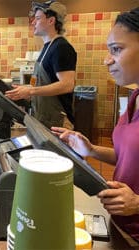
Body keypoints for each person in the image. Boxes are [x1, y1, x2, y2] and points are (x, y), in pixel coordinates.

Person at [52, 7, 139, 242]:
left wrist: (137, 203)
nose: (107, 60)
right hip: (119, 226)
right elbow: (129, 158)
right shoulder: (134, 98)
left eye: (117, 50)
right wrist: (91, 151)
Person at [5, 0, 77, 129]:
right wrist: (24, 89)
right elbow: (44, 82)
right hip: (44, 118)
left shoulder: (61, 47)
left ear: (51, 21)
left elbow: (67, 85)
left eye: (37, 18)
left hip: (58, 121)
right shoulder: (47, 47)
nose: (33, 22)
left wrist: (31, 90)